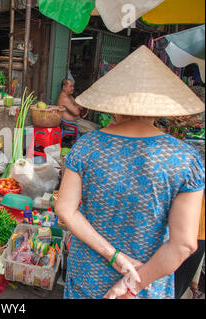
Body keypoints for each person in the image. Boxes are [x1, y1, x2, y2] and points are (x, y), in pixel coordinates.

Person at [54, 46, 205, 299]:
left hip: (88, 277)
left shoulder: (87, 146)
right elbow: (184, 245)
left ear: (114, 105)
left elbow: (65, 209)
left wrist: (114, 256)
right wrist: (132, 285)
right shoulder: (186, 160)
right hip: (148, 282)